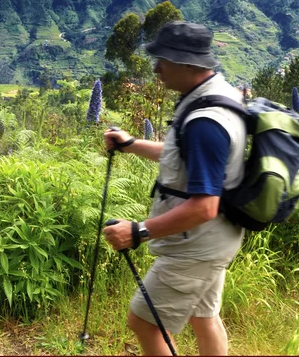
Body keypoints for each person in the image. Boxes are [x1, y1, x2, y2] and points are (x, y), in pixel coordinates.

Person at [103, 21, 246, 356]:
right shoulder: (218, 95)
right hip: (216, 237)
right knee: (204, 317)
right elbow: (183, 155)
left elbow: (204, 206)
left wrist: (138, 231)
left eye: (163, 60)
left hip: (197, 242)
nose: (156, 68)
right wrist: (131, 144)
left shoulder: (205, 122)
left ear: (186, 63)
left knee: (145, 322)